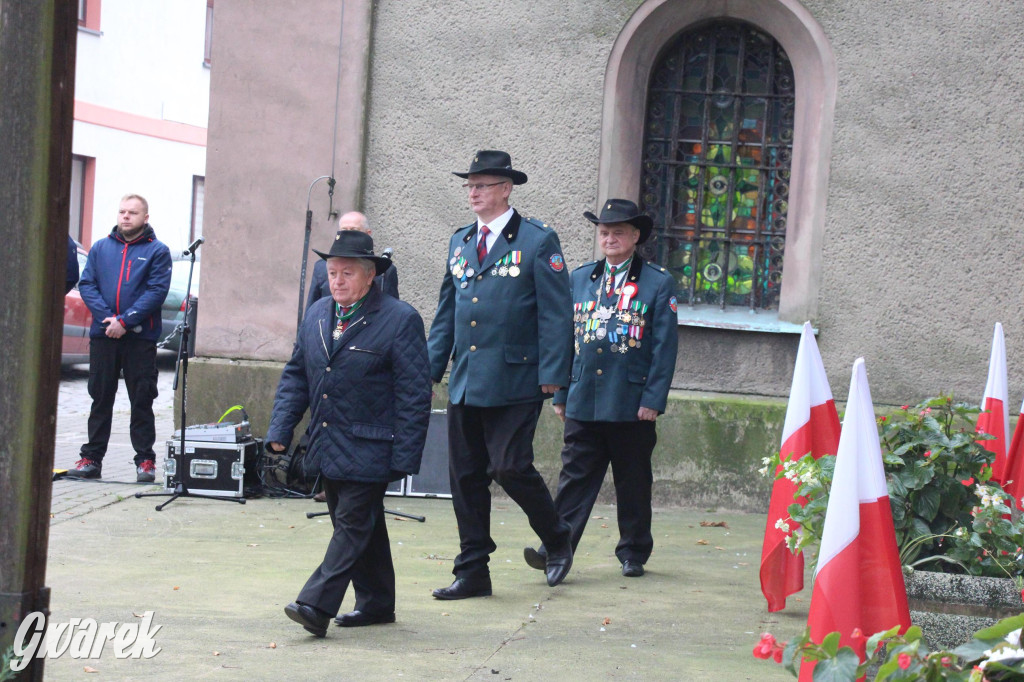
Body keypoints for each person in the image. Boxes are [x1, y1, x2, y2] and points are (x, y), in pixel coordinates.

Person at [266, 230, 431, 637]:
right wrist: (280, 429)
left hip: (373, 444)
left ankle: (315, 604)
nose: (337, 281)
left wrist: (406, 456)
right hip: (327, 440)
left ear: (371, 275)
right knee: (360, 524)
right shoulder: (318, 313)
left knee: (351, 525)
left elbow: (414, 394)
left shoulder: (399, 319)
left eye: (347, 273)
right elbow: (296, 376)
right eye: (332, 272)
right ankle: (376, 603)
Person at [427, 150, 575, 599]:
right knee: (465, 475)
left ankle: (556, 536)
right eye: (469, 185)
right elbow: (447, 313)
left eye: (483, 185)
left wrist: (555, 375)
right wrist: (428, 371)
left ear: (506, 190)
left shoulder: (536, 241)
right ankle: (473, 569)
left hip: (517, 377)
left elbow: (556, 314)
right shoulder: (459, 242)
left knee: (510, 466)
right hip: (468, 378)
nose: (473, 192)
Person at [523, 199, 678, 578]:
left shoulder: (658, 282)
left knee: (633, 480)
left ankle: (633, 552)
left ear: (636, 236)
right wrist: (560, 392)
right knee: (574, 479)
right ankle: (556, 548)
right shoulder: (580, 278)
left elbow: (664, 347)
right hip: (584, 397)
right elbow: (565, 339)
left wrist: (653, 400)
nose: (609, 238)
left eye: (618, 232)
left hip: (631, 401)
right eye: (604, 232)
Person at [68, 194, 172, 482]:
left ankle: (145, 462)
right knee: (100, 397)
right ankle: (91, 459)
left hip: (139, 338)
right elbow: (87, 283)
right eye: (122, 211)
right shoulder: (101, 248)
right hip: (104, 336)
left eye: (133, 213)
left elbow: (156, 292)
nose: (126, 217)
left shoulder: (157, 252)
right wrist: (108, 319)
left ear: (145, 218)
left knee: (141, 398)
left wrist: (125, 321)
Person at [305, 211, 399, 309]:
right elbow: (311, 308)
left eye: (354, 230)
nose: (348, 235)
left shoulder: (386, 272)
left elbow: (392, 310)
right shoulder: (321, 267)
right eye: (344, 230)